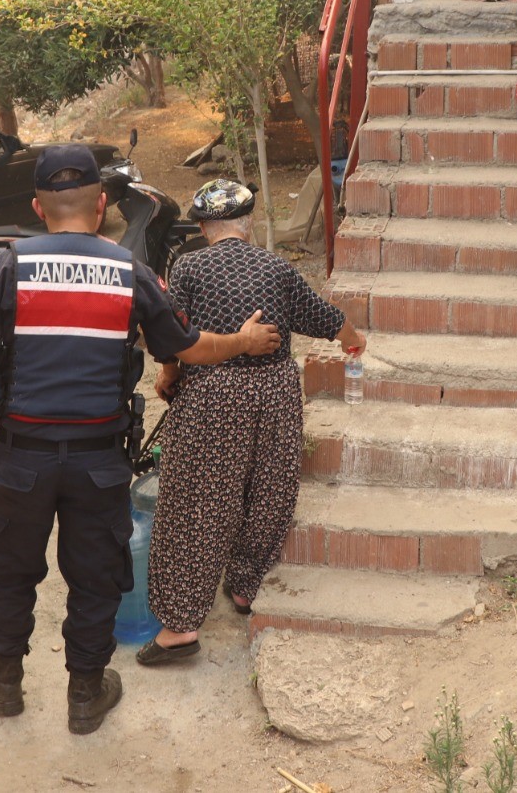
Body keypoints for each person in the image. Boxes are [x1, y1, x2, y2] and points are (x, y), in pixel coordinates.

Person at [0, 146, 281, 735]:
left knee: (9, 572)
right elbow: (186, 347)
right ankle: (85, 695)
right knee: (96, 576)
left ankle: (5, 684)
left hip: (21, 459)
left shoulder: (7, 268)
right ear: (101, 206)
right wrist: (243, 343)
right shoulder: (131, 274)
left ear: (36, 207)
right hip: (99, 463)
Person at [136, 179, 366, 667]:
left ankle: (180, 627)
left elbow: (172, 332)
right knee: (269, 489)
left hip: (213, 394)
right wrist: (354, 340)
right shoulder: (278, 268)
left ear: (203, 228)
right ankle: (243, 588)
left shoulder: (189, 266)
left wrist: (169, 373)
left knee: (198, 501)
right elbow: (325, 318)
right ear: (248, 224)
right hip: (275, 391)